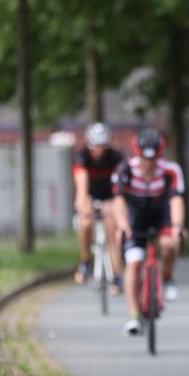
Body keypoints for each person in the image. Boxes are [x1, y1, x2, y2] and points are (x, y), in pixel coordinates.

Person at [111, 127, 186, 335]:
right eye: (145, 159)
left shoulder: (171, 170)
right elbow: (118, 201)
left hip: (161, 213)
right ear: (138, 154)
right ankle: (134, 316)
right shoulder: (125, 169)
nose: (149, 164)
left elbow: (176, 200)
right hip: (135, 216)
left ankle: (167, 277)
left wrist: (178, 226)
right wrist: (123, 225)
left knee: (170, 244)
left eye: (154, 159)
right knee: (134, 262)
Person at [73, 122, 124, 291]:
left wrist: (116, 204)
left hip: (110, 197)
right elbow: (81, 182)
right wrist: (82, 202)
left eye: (102, 145)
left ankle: (117, 275)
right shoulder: (83, 157)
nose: (98, 150)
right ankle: (86, 260)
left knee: (112, 231)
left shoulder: (116, 158)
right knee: (86, 222)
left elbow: (120, 184)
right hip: (90, 196)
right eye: (95, 146)